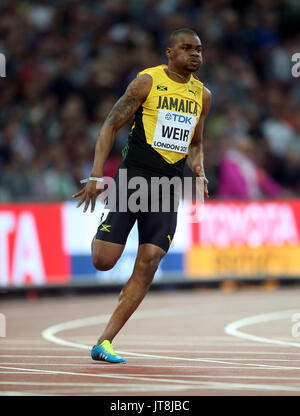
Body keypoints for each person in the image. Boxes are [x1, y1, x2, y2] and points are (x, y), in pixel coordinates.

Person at [73, 28, 211, 363]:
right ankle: (108, 230)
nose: (195, 54)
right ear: (169, 52)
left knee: (149, 261)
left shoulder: (202, 95)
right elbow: (109, 124)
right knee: (103, 261)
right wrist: (95, 175)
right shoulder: (146, 82)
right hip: (132, 180)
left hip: (167, 188)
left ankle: (104, 342)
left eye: (199, 49)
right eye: (187, 48)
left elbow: (195, 142)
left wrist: (199, 170)